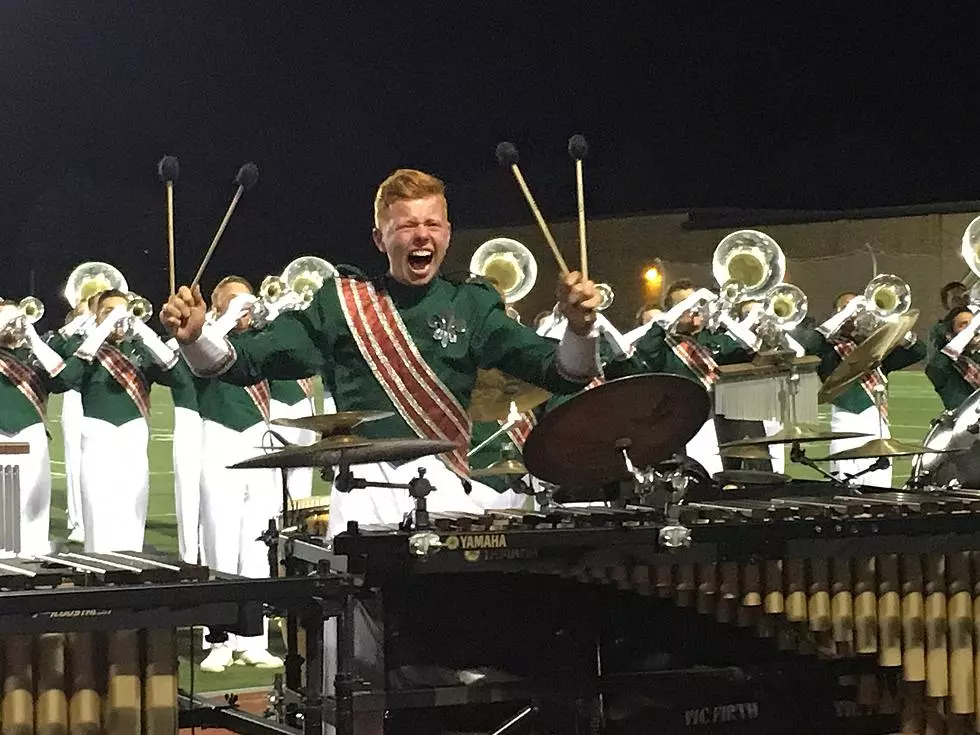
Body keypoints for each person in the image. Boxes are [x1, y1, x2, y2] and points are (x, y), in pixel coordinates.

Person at [161, 169, 601, 541]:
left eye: (433, 223)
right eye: (406, 225)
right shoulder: (341, 304)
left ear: (448, 233)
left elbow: (561, 372)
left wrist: (582, 329)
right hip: (361, 500)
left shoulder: (472, 303)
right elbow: (248, 361)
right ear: (379, 237)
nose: (422, 235)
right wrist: (196, 337)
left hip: (446, 493)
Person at [53, 290, 180, 552]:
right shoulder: (85, 345)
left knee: (132, 512)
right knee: (98, 514)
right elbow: (65, 378)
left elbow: (174, 374)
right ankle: (99, 579)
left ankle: (130, 577)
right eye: (108, 310)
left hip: (134, 434)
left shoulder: (139, 348)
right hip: (96, 434)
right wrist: (103, 328)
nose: (118, 317)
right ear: (96, 316)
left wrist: (143, 330)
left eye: (122, 311)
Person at [801, 292, 926, 487]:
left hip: (878, 428)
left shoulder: (876, 348)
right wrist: (845, 314)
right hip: (845, 428)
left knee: (881, 494)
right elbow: (808, 343)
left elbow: (918, 351)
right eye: (848, 309)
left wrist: (890, 320)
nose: (856, 314)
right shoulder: (829, 350)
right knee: (847, 492)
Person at [0, 300, 74, 554]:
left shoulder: (33, 356)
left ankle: (33, 561)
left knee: (36, 509)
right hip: (2, 437)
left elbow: (65, 379)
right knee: (5, 515)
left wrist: (32, 338)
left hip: (34, 440)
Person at [926, 306, 980, 410]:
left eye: (972, 326)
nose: (971, 331)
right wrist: (965, 336)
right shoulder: (941, 366)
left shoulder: (976, 359)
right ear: (949, 332)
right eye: (963, 325)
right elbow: (936, 367)